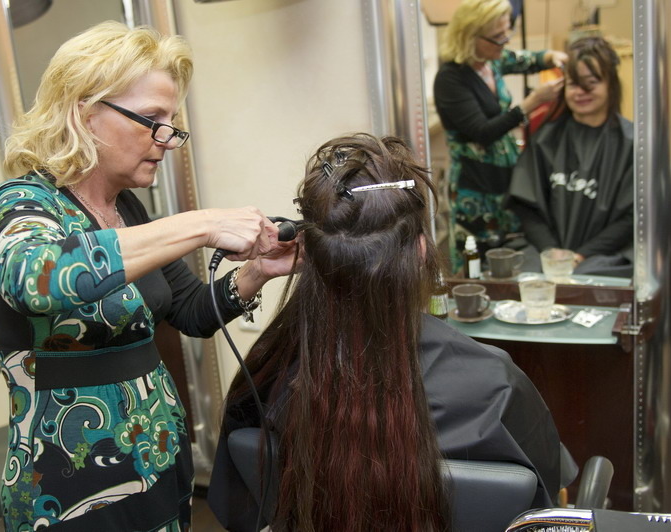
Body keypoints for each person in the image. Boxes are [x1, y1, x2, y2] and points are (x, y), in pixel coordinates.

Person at [0, 21, 296, 531]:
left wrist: (259, 271)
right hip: (71, 479)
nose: (168, 140)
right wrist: (202, 224)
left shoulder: (128, 209)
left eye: (171, 122)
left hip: (159, 454)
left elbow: (190, 311)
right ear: (85, 114)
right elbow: (36, 279)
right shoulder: (20, 203)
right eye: (152, 119)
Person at [207, 133, 564, 532]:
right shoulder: (494, 383)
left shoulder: (267, 370)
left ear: (311, 253)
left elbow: (238, 503)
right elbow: (544, 506)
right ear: (421, 251)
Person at [433, 0, 567, 273]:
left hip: (503, 180)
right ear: (470, 36)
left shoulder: (490, 62)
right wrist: (531, 103)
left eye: (507, 31)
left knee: (509, 256)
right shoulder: (450, 79)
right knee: (476, 262)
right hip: (475, 188)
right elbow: (483, 132)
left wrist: (550, 57)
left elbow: (522, 60)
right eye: (497, 36)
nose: (505, 41)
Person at [506, 36, 634, 277]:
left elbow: (632, 217)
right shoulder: (545, 139)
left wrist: (581, 255)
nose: (581, 92)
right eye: (574, 84)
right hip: (546, 253)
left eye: (591, 83)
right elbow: (526, 206)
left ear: (611, 84)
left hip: (605, 256)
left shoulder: (631, 144)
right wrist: (552, 251)